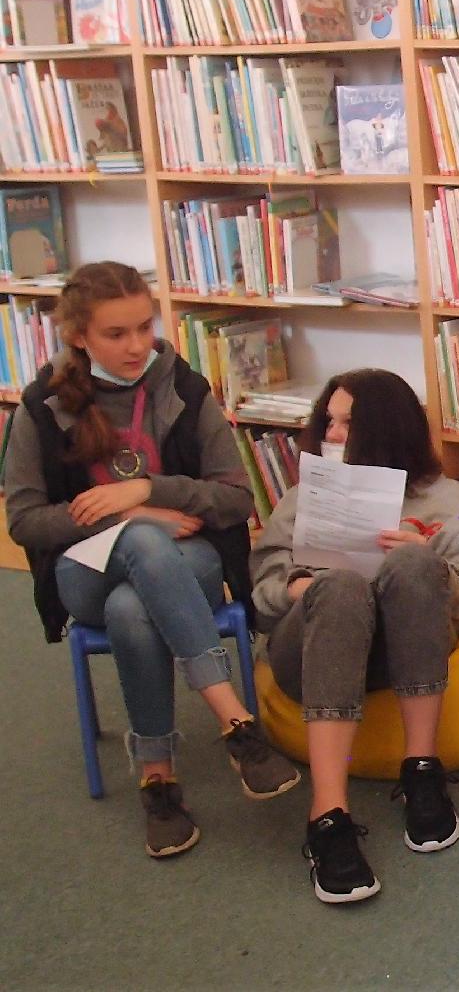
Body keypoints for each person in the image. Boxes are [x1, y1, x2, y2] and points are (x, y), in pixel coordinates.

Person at [4, 261, 299, 858]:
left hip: (188, 563)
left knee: (132, 608)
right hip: (84, 569)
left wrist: (148, 490)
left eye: (145, 327)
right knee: (139, 545)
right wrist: (130, 517)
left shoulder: (184, 388)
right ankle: (234, 722)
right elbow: (25, 521)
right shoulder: (41, 406)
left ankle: (157, 778)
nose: (138, 345)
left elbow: (235, 498)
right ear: (79, 337)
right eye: (116, 334)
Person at [250, 369, 459, 904]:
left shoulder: (447, 499)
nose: (333, 435)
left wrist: (426, 561)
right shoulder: (304, 497)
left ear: (386, 429)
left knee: (413, 563)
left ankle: (422, 770)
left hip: (404, 654)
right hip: (312, 655)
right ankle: (328, 815)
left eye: (348, 424)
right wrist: (301, 587)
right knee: (340, 586)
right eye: (328, 422)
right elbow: (262, 596)